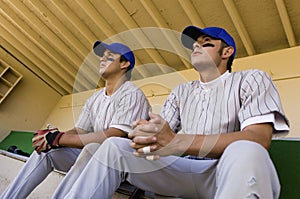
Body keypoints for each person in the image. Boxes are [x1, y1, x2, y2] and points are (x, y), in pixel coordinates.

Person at [51, 26, 290, 199]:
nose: (196, 47)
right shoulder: (180, 91)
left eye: (206, 43)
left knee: (248, 150)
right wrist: (146, 135)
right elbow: (161, 136)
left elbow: (258, 138)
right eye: (195, 44)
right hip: (184, 170)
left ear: (226, 53)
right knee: (114, 146)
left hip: (224, 172)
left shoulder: (251, 78)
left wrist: (176, 141)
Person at [1, 41, 151, 198]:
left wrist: (59, 138)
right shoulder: (96, 98)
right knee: (48, 151)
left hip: (129, 168)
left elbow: (113, 136)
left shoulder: (132, 94)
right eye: (102, 56)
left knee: (92, 148)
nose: (102, 59)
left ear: (125, 64)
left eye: (110, 56)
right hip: (96, 162)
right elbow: (80, 130)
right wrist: (52, 138)